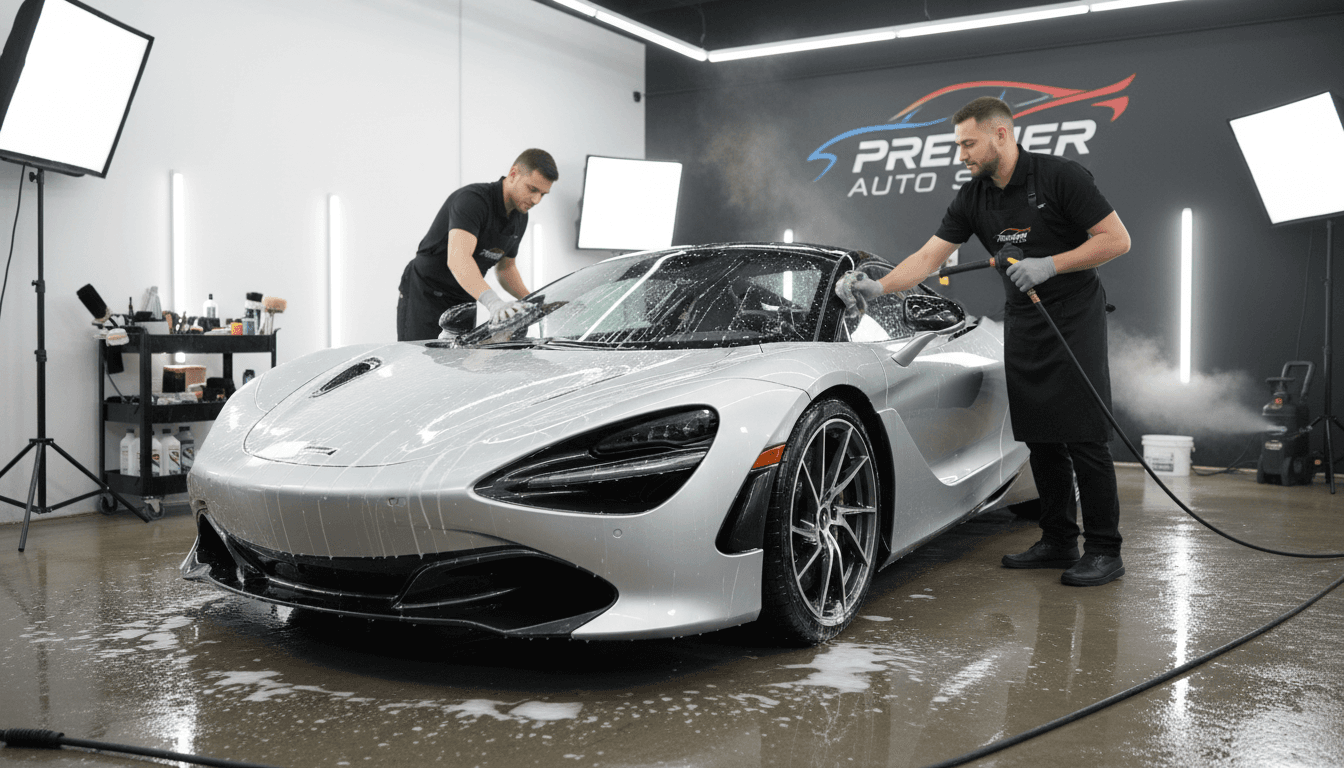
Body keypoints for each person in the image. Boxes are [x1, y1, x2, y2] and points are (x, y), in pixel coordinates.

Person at [838, 96, 1132, 587]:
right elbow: (931, 255)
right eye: (958, 145)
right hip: (1024, 320)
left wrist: (1050, 264)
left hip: (1074, 318)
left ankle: (1105, 548)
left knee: (1083, 434)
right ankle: (1059, 539)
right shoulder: (974, 197)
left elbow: (1116, 239)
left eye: (968, 143)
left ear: (1001, 135)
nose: (962, 154)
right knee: (1039, 434)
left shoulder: (1060, 177)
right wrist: (880, 286)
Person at [397, 149, 558, 341]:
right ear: (513, 174)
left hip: (464, 297)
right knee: (420, 362)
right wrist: (494, 303)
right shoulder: (473, 200)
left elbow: (506, 268)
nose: (536, 200)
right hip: (426, 292)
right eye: (532, 189)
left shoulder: (520, 217)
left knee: (458, 364)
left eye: (543, 194)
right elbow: (459, 259)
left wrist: (532, 302)